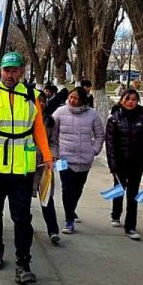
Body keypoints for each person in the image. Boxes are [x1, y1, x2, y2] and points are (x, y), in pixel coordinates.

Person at [0, 52, 53, 284]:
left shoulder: (31, 95)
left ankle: (23, 263)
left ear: (22, 72)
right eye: (6, 70)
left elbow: (39, 130)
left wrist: (47, 156)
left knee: (22, 218)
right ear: (0, 71)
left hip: (21, 168)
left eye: (15, 70)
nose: (10, 74)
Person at [52, 86, 104, 234]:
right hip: (64, 158)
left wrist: (94, 150)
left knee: (77, 189)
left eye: (76, 98)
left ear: (82, 100)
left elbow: (100, 135)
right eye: (71, 97)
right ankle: (69, 219)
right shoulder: (60, 112)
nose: (72, 100)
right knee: (66, 188)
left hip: (84, 159)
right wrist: (55, 153)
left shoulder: (92, 114)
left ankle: (71, 209)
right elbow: (53, 136)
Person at [105, 89, 143, 240]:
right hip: (120, 162)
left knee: (133, 194)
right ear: (122, 100)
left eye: (134, 99)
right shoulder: (115, 118)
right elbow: (110, 144)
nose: (131, 102)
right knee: (119, 189)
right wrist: (112, 164)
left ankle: (131, 226)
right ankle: (116, 213)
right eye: (128, 99)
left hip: (136, 162)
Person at [32, 91, 60, 244]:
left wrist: (52, 156)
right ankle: (25, 226)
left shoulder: (51, 121)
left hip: (45, 165)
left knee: (47, 198)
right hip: (27, 164)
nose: (41, 104)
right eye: (38, 100)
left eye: (43, 101)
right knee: (23, 199)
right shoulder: (26, 118)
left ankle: (53, 230)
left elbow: (54, 142)